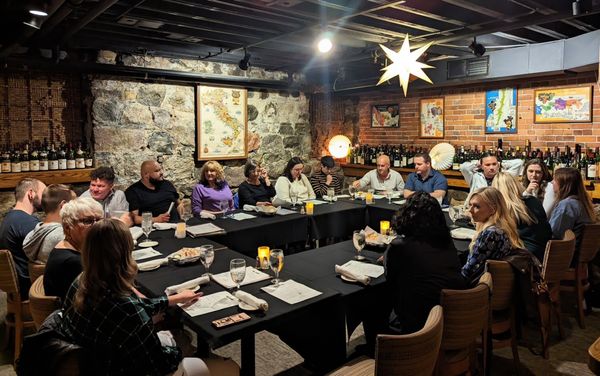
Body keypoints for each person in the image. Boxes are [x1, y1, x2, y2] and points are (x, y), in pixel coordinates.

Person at [60, 218, 210, 376]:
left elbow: (132, 308)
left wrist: (171, 300)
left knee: (179, 337)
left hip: (93, 363)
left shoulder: (80, 281)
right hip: (122, 367)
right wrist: (178, 350)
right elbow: (159, 365)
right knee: (186, 340)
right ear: (125, 253)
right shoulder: (127, 308)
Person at [385, 192, 465, 334]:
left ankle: (378, 347)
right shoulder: (446, 242)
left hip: (420, 321)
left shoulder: (400, 246)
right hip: (455, 313)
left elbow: (390, 280)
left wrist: (387, 255)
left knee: (374, 301)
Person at [44, 197, 103, 301]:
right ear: (68, 227)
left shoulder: (66, 246)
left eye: (99, 220)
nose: (96, 226)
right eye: (87, 221)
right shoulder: (72, 262)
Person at [461, 187, 523, 285]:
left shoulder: (490, 234)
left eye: (476, 206)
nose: (470, 210)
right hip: (495, 286)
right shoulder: (501, 228)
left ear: (492, 210)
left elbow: (467, 272)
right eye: (470, 205)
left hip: (479, 291)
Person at [0, 178, 46, 299]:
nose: (47, 198)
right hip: (30, 288)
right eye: (44, 193)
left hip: (17, 289)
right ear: (31, 194)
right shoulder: (26, 222)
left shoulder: (10, 218)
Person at [492, 172, 552, 261]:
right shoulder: (533, 201)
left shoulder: (505, 209)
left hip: (525, 259)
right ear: (516, 185)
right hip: (542, 253)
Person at [23, 184, 76, 264]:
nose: (78, 207)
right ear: (64, 205)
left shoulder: (31, 234)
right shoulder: (63, 236)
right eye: (75, 203)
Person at [548, 167, 596, 253]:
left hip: (563, 256)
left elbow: (554, 234)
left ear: (563, 184)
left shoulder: (567, 205)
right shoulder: (582, 203)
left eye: (554, 180)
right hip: (576, 254)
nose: (551, 182)